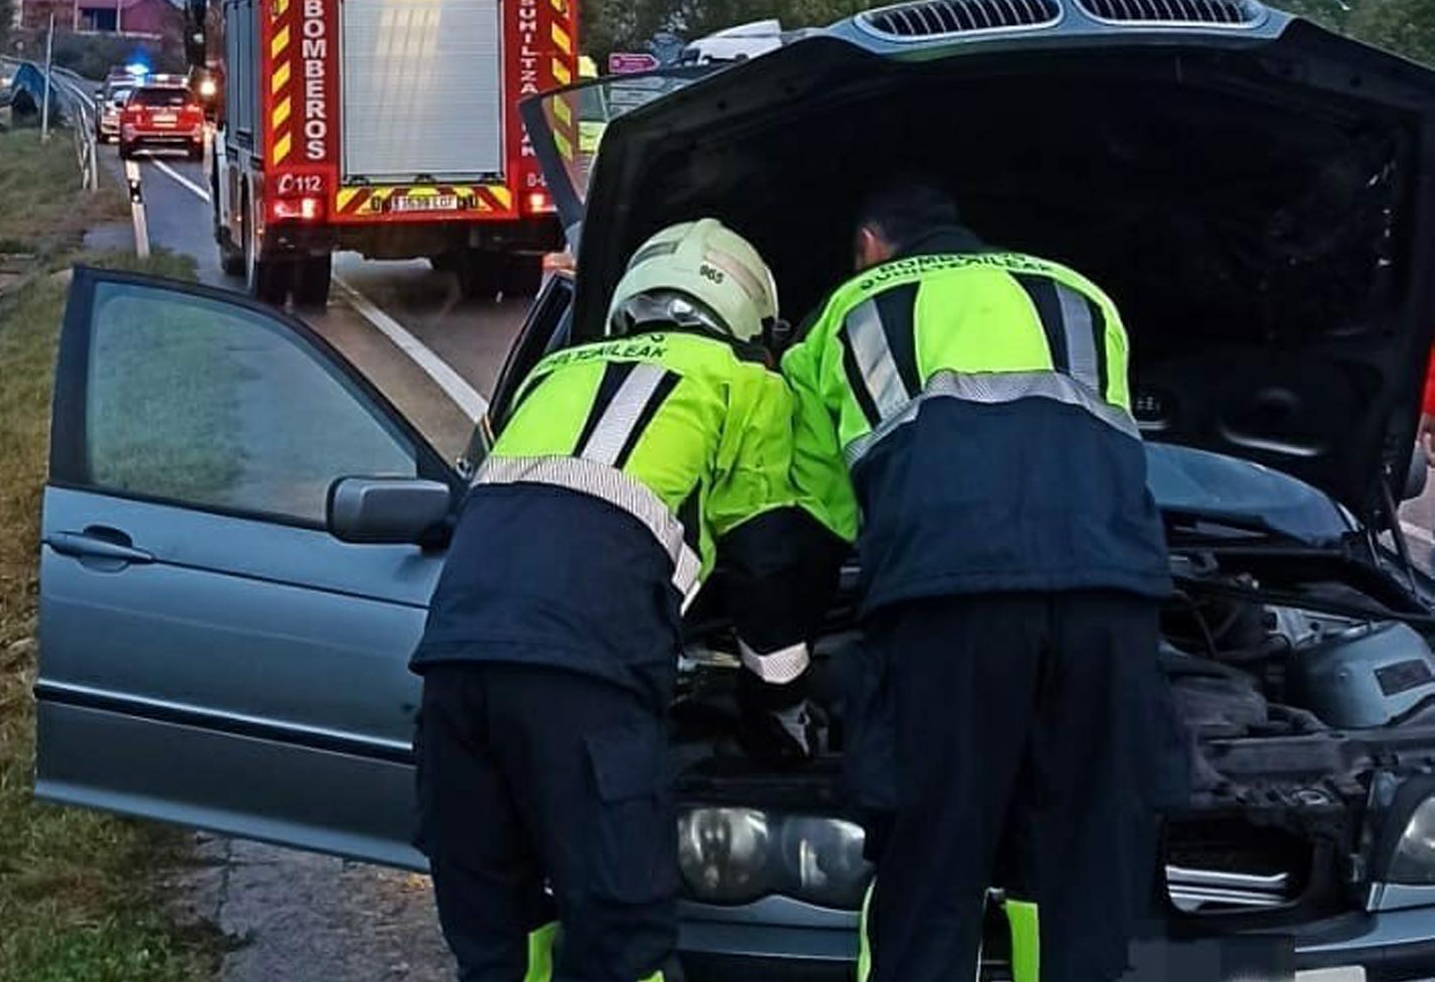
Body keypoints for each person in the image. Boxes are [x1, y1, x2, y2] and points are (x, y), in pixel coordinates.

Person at [777, 182, 1181, 981]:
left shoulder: (847, 312)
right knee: (1093, 863)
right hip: (1113, 594)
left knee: (935, 856)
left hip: (948, 597)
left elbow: (815, 513)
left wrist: (787, 645)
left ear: (869, 243)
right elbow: (1111, 446)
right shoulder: (1081, 295)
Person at [410, 218, 828, 982]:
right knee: (622, 940)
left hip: (454, 671)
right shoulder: (746, 386)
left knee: (498, 936)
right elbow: (766, 560)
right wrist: (782, 703)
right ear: (752, 321)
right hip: (584, 680)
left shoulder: (554, 373)